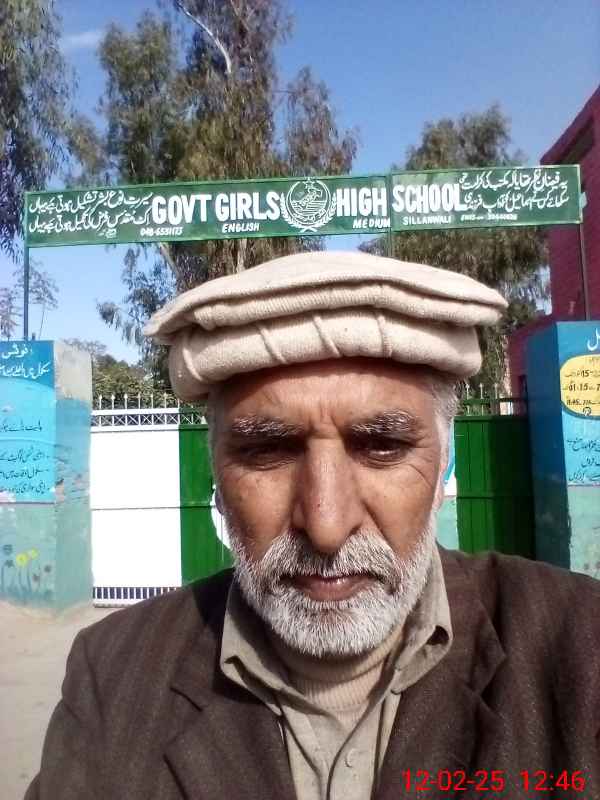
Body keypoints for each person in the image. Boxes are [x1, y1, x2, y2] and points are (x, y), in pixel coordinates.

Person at [27, 251, 600, 800]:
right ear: (217, 476)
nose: (326, 527)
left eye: (381, 446)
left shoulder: (581, 644)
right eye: (268, 452)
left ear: (443, 466)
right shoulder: (115, 673)